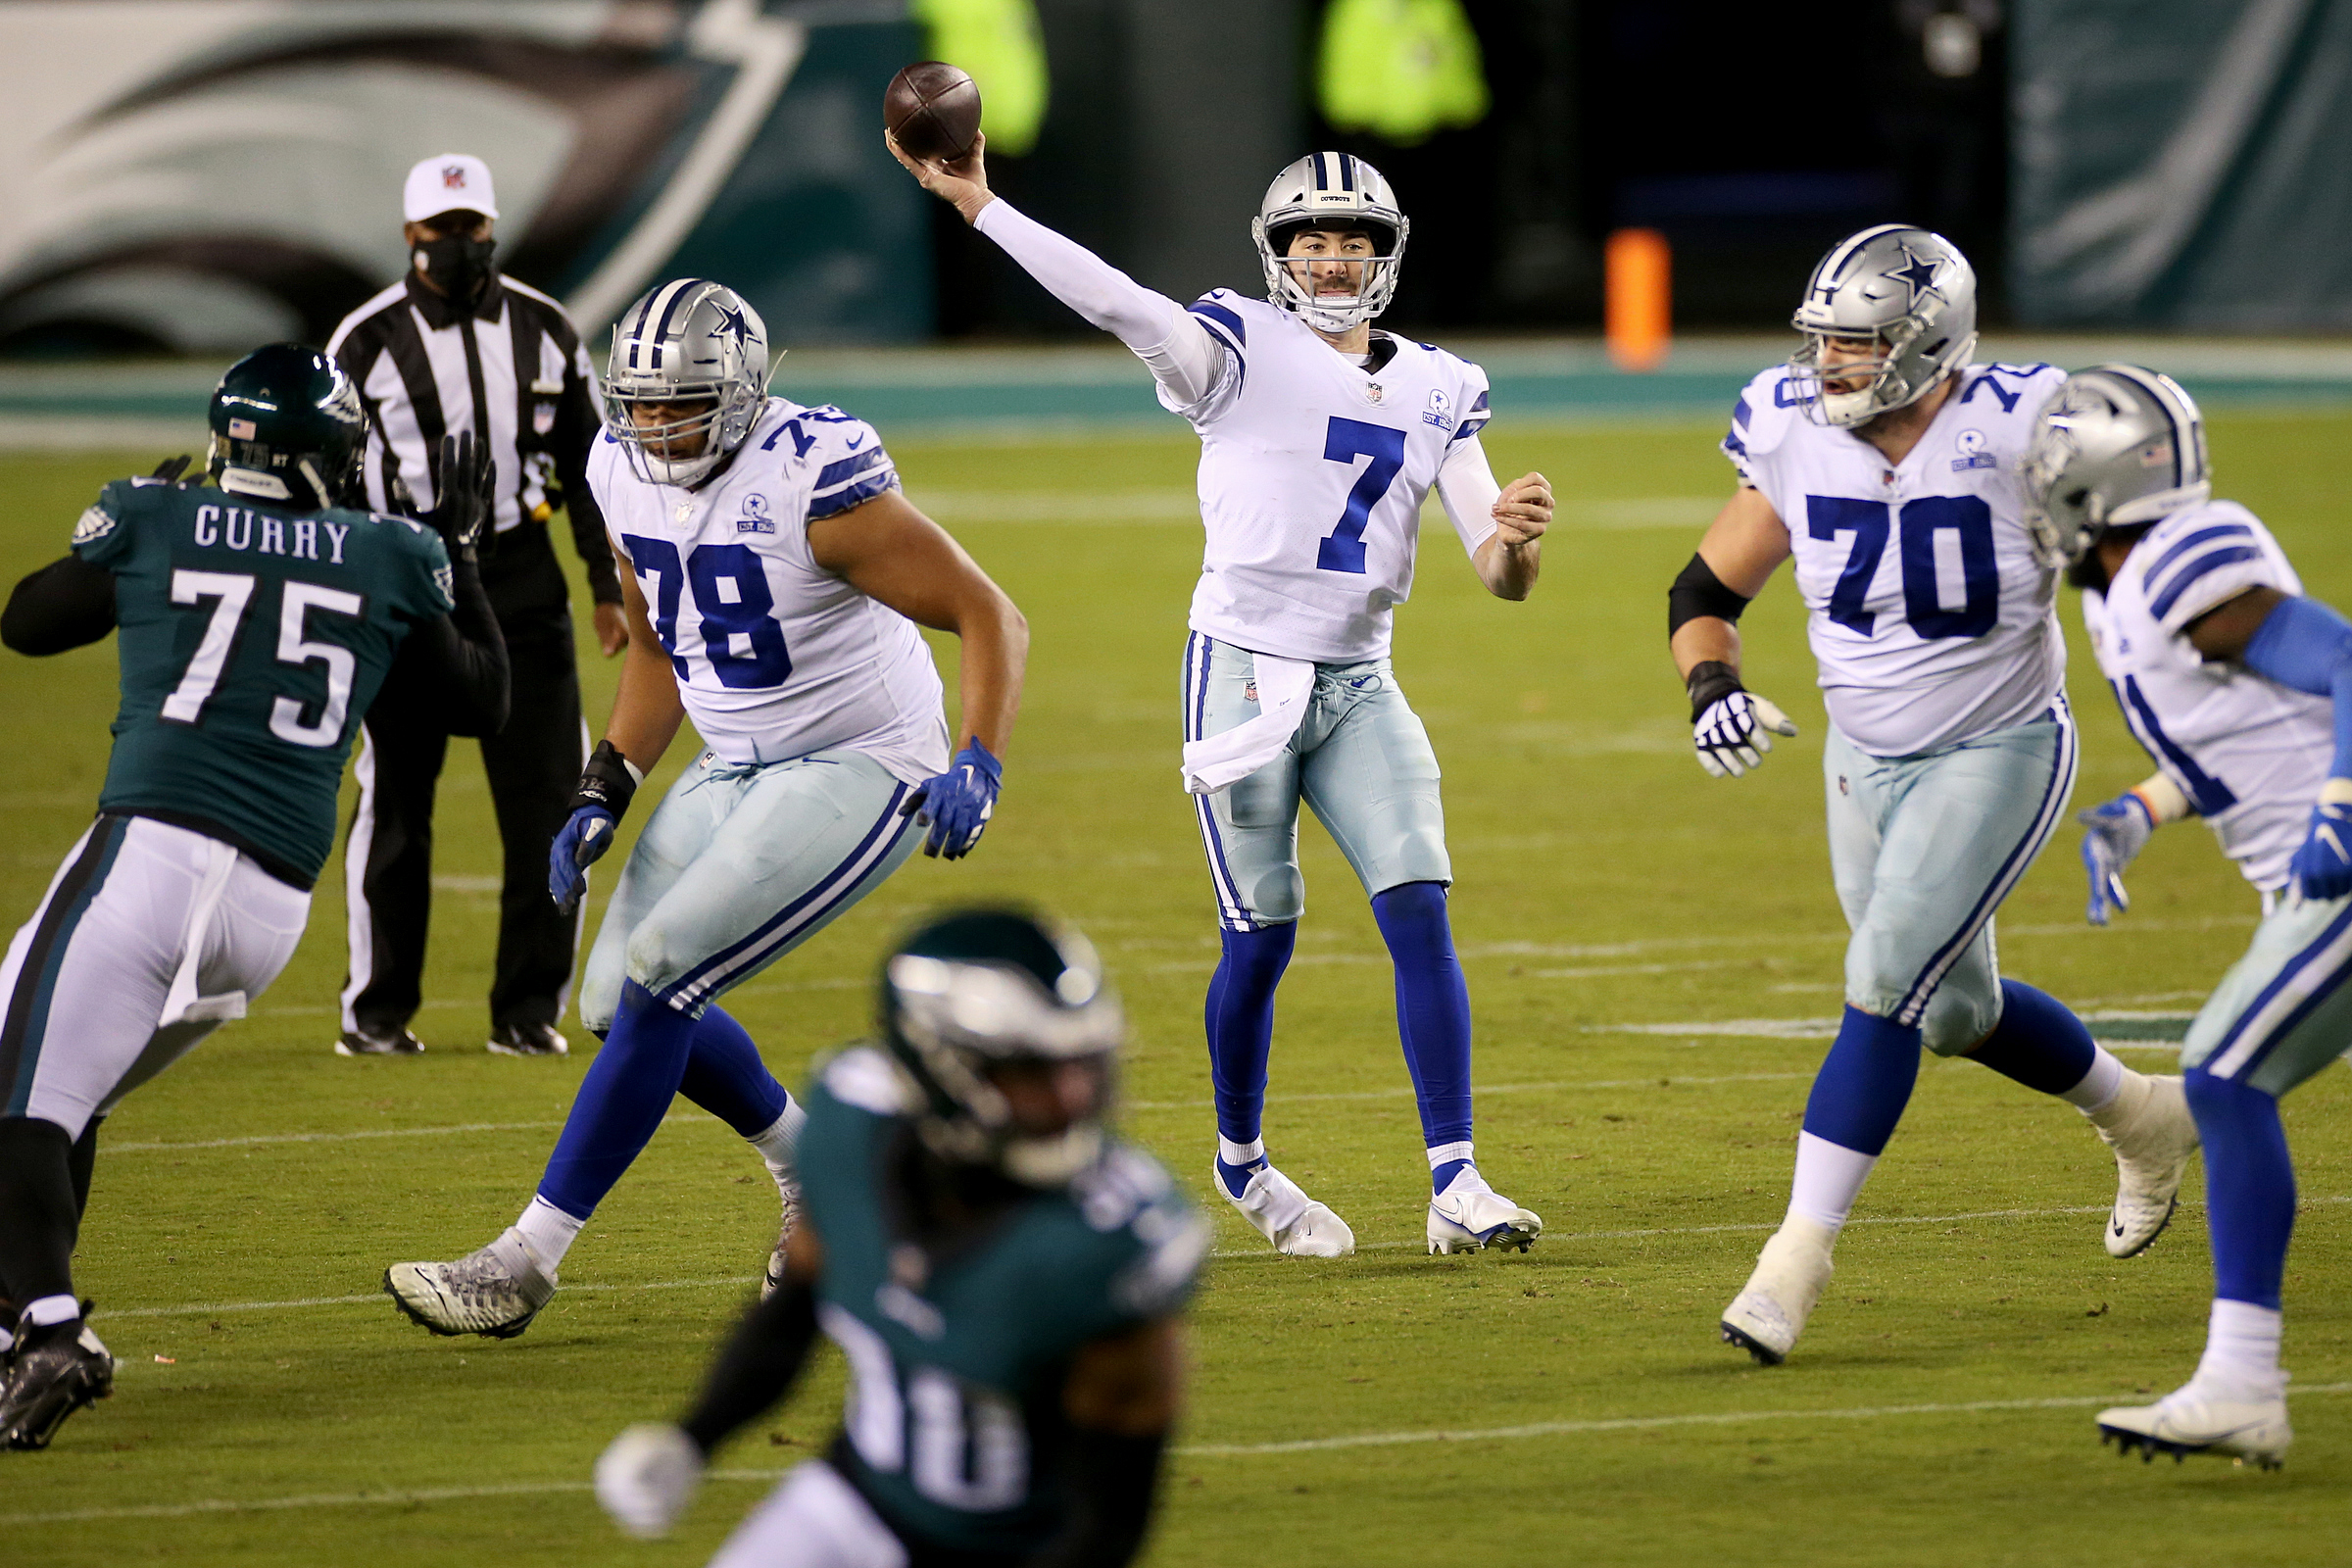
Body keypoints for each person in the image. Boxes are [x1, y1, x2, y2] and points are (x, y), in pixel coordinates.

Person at [893, 137, 1552, 1258]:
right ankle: (1240, 1160)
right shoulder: (1236, 346)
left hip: (1361, 675)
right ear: (1277, 251)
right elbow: (1112, 297)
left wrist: (1520, 540)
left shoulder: (1442, 382)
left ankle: (1457, 1181)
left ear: (1383, 254)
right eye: (1311, 240)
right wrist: (982, 206)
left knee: (1418, 902)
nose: (1332, 260)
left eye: (1351, 241)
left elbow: (1497, 571)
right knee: (1261, 940)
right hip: (1244, 671)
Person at [382, 278, 1029, 1339]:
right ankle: (829, 1170)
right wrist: (607, 781)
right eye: (636, 403)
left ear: (738, 390)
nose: (652, 425)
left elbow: (987, 612)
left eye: (678, 403)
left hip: (860, 756)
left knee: (660, 971)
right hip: (735, 759)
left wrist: (979, 759)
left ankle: (525, 1261)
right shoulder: (616, 471)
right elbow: (657, 646)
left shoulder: (816, 475)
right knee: (608, 1005)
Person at [1667, 225, 2199, 1366]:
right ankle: (2144, 1115)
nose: (1832, 368)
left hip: (1996, 744)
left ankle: (1793, 1260)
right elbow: (1706, 587)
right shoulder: (1791, 424)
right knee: (1953, 1010)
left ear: (1928, 343)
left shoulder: (2026, 420)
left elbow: (2137, 557)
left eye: (1858, 346)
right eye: (1827, 343)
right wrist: (1712, 682)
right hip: (1859, 757)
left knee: (1884, 976)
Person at [0, 346, 508, 1449]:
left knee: (17, 1096)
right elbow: (482, 701)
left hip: (151, 859)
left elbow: (28, 620)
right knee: (60, 1099)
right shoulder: (388, 551)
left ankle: (47, 1330)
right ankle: (17, 1329)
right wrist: (462, 561)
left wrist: (124, 527)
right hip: (266, 914)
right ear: (327, 454)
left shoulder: (158, 516)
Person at [592, 907, 1201, 1568]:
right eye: (1028, 1072)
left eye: (1080, 1066)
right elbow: (793, 1312)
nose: (1069, 1100)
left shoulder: (1105, 1247)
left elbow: (1107, 1527)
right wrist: (694, 1438)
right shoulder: (851, 1133)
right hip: (853, 1503)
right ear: (939, 1069)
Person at [2025, 366, 2336, 1469]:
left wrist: (2343, 803)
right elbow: (2246, 734)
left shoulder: (2179, 559)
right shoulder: (2131, 586)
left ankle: (2243, 1383)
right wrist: (2147, 807)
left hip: (2339, 875)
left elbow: (2345, 664)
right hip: (2304, 879)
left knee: (2223, 1074)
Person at [324, 152, 628, 1058]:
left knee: (545, 797)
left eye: (472, 227)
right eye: (441, 229)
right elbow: (330, 472)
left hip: (520, 575)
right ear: (411, 234)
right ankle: (376, 1012)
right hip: (408, 576)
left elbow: (590, 465)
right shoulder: (365, 339)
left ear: (492, 227)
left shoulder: (545, 326)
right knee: (396, 800)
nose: (458, 243)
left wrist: (605, 586)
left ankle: (528, 1009)